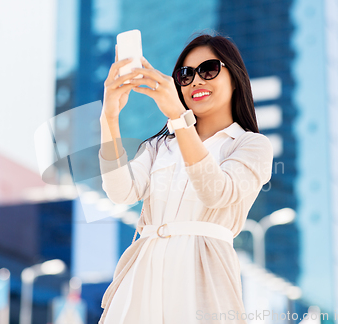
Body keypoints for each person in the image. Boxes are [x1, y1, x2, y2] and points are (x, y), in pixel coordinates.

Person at [97, 32, 273, 324]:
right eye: (185, 75)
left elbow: (216, 192)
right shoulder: (159, 146)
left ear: (235, 76)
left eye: (208, 70)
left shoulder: (251, 145)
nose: (196, 82)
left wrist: (180, 119)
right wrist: (110, 118)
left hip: (202, 276)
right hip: (143, 275)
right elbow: (120, 192)